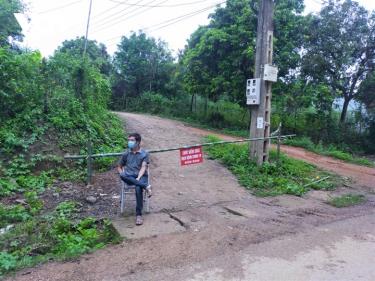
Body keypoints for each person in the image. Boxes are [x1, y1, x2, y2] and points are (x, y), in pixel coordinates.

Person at [117, 133, 152, 225]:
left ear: (138, 142)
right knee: (122, 175)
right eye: (129, 140)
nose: (129, 142)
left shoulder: (144, 154)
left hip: (141, 176)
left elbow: (143, 167)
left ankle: (139, 215)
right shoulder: (126, 153)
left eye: (132, 140)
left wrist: (138, 179)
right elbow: (119, 167)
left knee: (138, 188)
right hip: (129, 176)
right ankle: (146, 186)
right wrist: (122, 173)